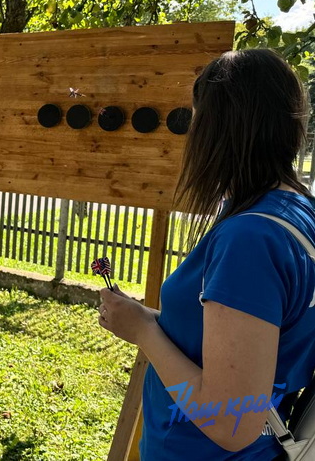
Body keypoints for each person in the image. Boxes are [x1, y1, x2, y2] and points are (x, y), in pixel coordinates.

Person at [98, 49, 315, 460]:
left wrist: (143, 331)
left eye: (197, 120)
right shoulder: (298, 210)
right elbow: (248, 341)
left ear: (219, 130)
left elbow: (230, 420)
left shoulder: (250, 238)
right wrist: (149, 320)